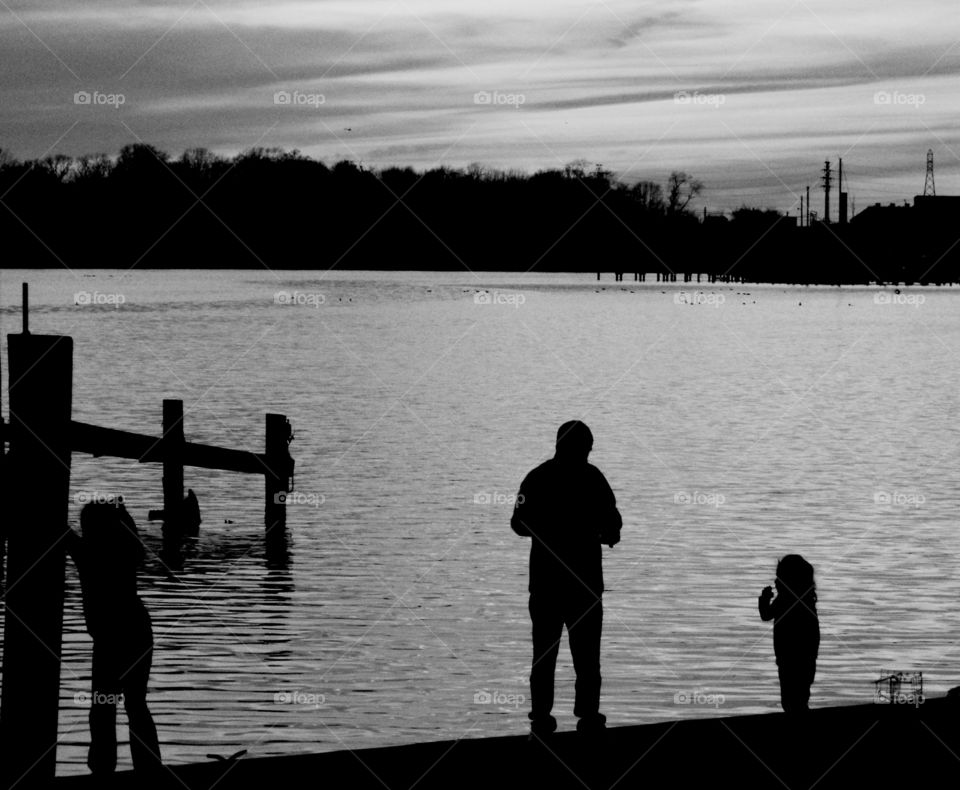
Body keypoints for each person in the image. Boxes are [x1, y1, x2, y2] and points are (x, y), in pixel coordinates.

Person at [511, 421, 622, 736]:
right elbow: (613, 522)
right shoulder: (593, 479)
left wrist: (546, 529)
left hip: (547, 585)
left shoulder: (537, 478)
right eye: (586, 448)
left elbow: (518, 523)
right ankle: (587, 718)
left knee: (545, 656)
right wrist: (600, 532)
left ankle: (542, 720)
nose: (587, 454)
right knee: (586, 658)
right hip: (583, 585)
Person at [65, 500, 162, 775]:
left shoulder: (89, 553)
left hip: (112, 636)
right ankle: (149, 768)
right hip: (138, 629)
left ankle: (102, 768)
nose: (82, 531)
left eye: (86, 526)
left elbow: (63, 534)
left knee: (103, 707)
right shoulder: (127, 548)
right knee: (135, 704)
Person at [758, 554, 820, 713]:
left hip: (793, 660)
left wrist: (765, 600)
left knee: (792, 701)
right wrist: (765, 599)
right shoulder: (799, 601)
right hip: (795, 661)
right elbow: (766, 615)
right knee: (796, 700)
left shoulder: (787, 601)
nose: (776, 582)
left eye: (780, 578)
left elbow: (766, 615)